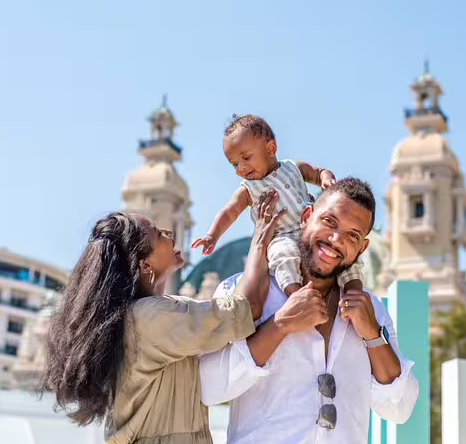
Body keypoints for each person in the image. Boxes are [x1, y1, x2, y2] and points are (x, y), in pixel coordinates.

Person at [40, 190, 283, 444]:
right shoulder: (150, 319)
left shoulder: (145, 315)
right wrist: (260, 239)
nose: (168, 233)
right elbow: (246, 309)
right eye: (157, 234)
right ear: (145, 265)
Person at [199, 177, 419, 443]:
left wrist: (372, 336)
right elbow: (207, 387)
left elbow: (400, 408)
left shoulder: (371, 310)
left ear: (362, 249)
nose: (336, 240)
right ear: (306, 216)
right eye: (329, 222)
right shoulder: (245, 291)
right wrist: (280, 325)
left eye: (352, 235)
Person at [192, 114, 364, 297]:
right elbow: (230, 211)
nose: (241, 168)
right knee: (282, 256)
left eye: (246, 158)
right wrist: (212, 235)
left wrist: (327, 179)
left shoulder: (292, 167)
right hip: (283, 237)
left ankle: (353, 290)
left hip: (313, 229)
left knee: (343, 251)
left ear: (271, 148)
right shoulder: (248, 189)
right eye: (234, 164)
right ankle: (296, 294)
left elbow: (318, 172)